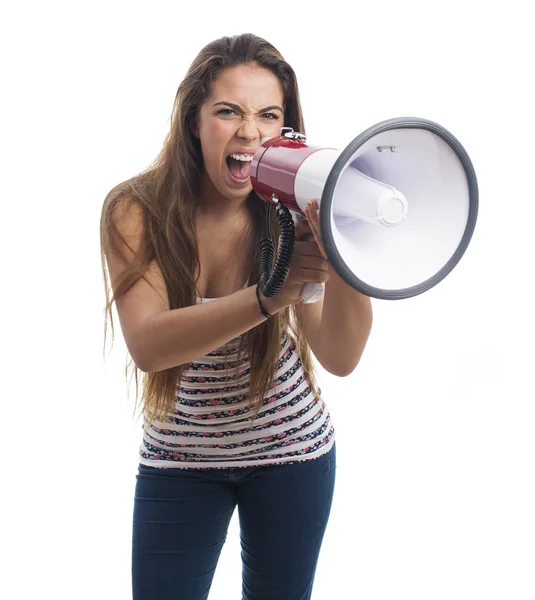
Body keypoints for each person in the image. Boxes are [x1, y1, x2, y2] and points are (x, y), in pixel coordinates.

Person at [100, 33, 373, 600]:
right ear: (194, 121)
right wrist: (269, 296)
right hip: (180, 458)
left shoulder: (291, 213)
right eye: (228, 111)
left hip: (293, 455)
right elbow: (150, 346)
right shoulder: (136, 211)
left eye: (269, 115)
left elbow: (339, 356)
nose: (250, 131)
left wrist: (343, 247)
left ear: (287, 132)